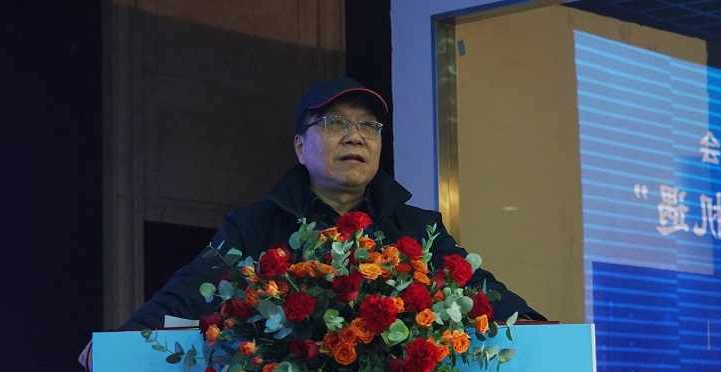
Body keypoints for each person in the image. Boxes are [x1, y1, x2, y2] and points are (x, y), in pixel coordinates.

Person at [118, 76, 544, 332]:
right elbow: (188, 294)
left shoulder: (417, 228)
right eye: (336, 123)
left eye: (368, 126)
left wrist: (532, 325)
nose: (355, 136)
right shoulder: (254, 226)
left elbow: (475, 285)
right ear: (300, 148)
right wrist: (121, 343)